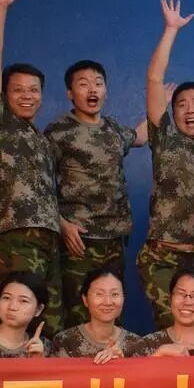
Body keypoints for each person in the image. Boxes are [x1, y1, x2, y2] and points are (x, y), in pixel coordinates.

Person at [0, 0, 66, 332]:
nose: (27, 96)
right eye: (18, 90)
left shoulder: (42, 139)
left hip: (50, 237)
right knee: (17, 321)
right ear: (4, 94)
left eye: (33, 90)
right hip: (17, 236)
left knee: (50, 323)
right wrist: (0, 8)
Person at [135, 0, 194, 331]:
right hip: (162, 257)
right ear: (172, 114)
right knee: (171, 330)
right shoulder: (166, 140)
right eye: (182, 105)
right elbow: (154, 80)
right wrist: (171, 29)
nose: (190, 110)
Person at [47, 56, 135, 328]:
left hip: (114, 236)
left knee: (111, 313)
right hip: (79, 239)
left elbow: (140, 136)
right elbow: (39, 183)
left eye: (98, 83)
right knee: (78, 313)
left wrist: (160, 103)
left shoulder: (114, 129)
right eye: (83, 84)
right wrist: (62, 224)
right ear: (70, 93)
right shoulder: (58, 131)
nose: (92, 89)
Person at [124, 267, 194, 359]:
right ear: (170, 299)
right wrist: (158, 354)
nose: (187, 302)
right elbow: (136, 376)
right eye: (181, 293)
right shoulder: (149, 343)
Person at [51, 265, 132, 362]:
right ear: (85, 299)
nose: (108, 302)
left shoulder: (136, 344)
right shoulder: (65, 341)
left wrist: (122, 364)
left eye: (114, 294)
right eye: (99, 294)